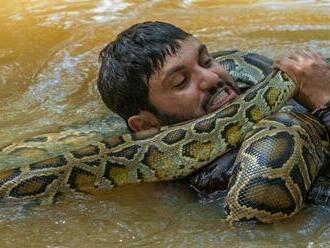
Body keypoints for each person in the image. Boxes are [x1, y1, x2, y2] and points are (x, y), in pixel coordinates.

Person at [97, 21, 330, 195]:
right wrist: (324, 101)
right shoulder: (223, 180)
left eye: (206, 60)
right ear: (146, 125)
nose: (211, 77)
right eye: (180, 82)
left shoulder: (249, 90)